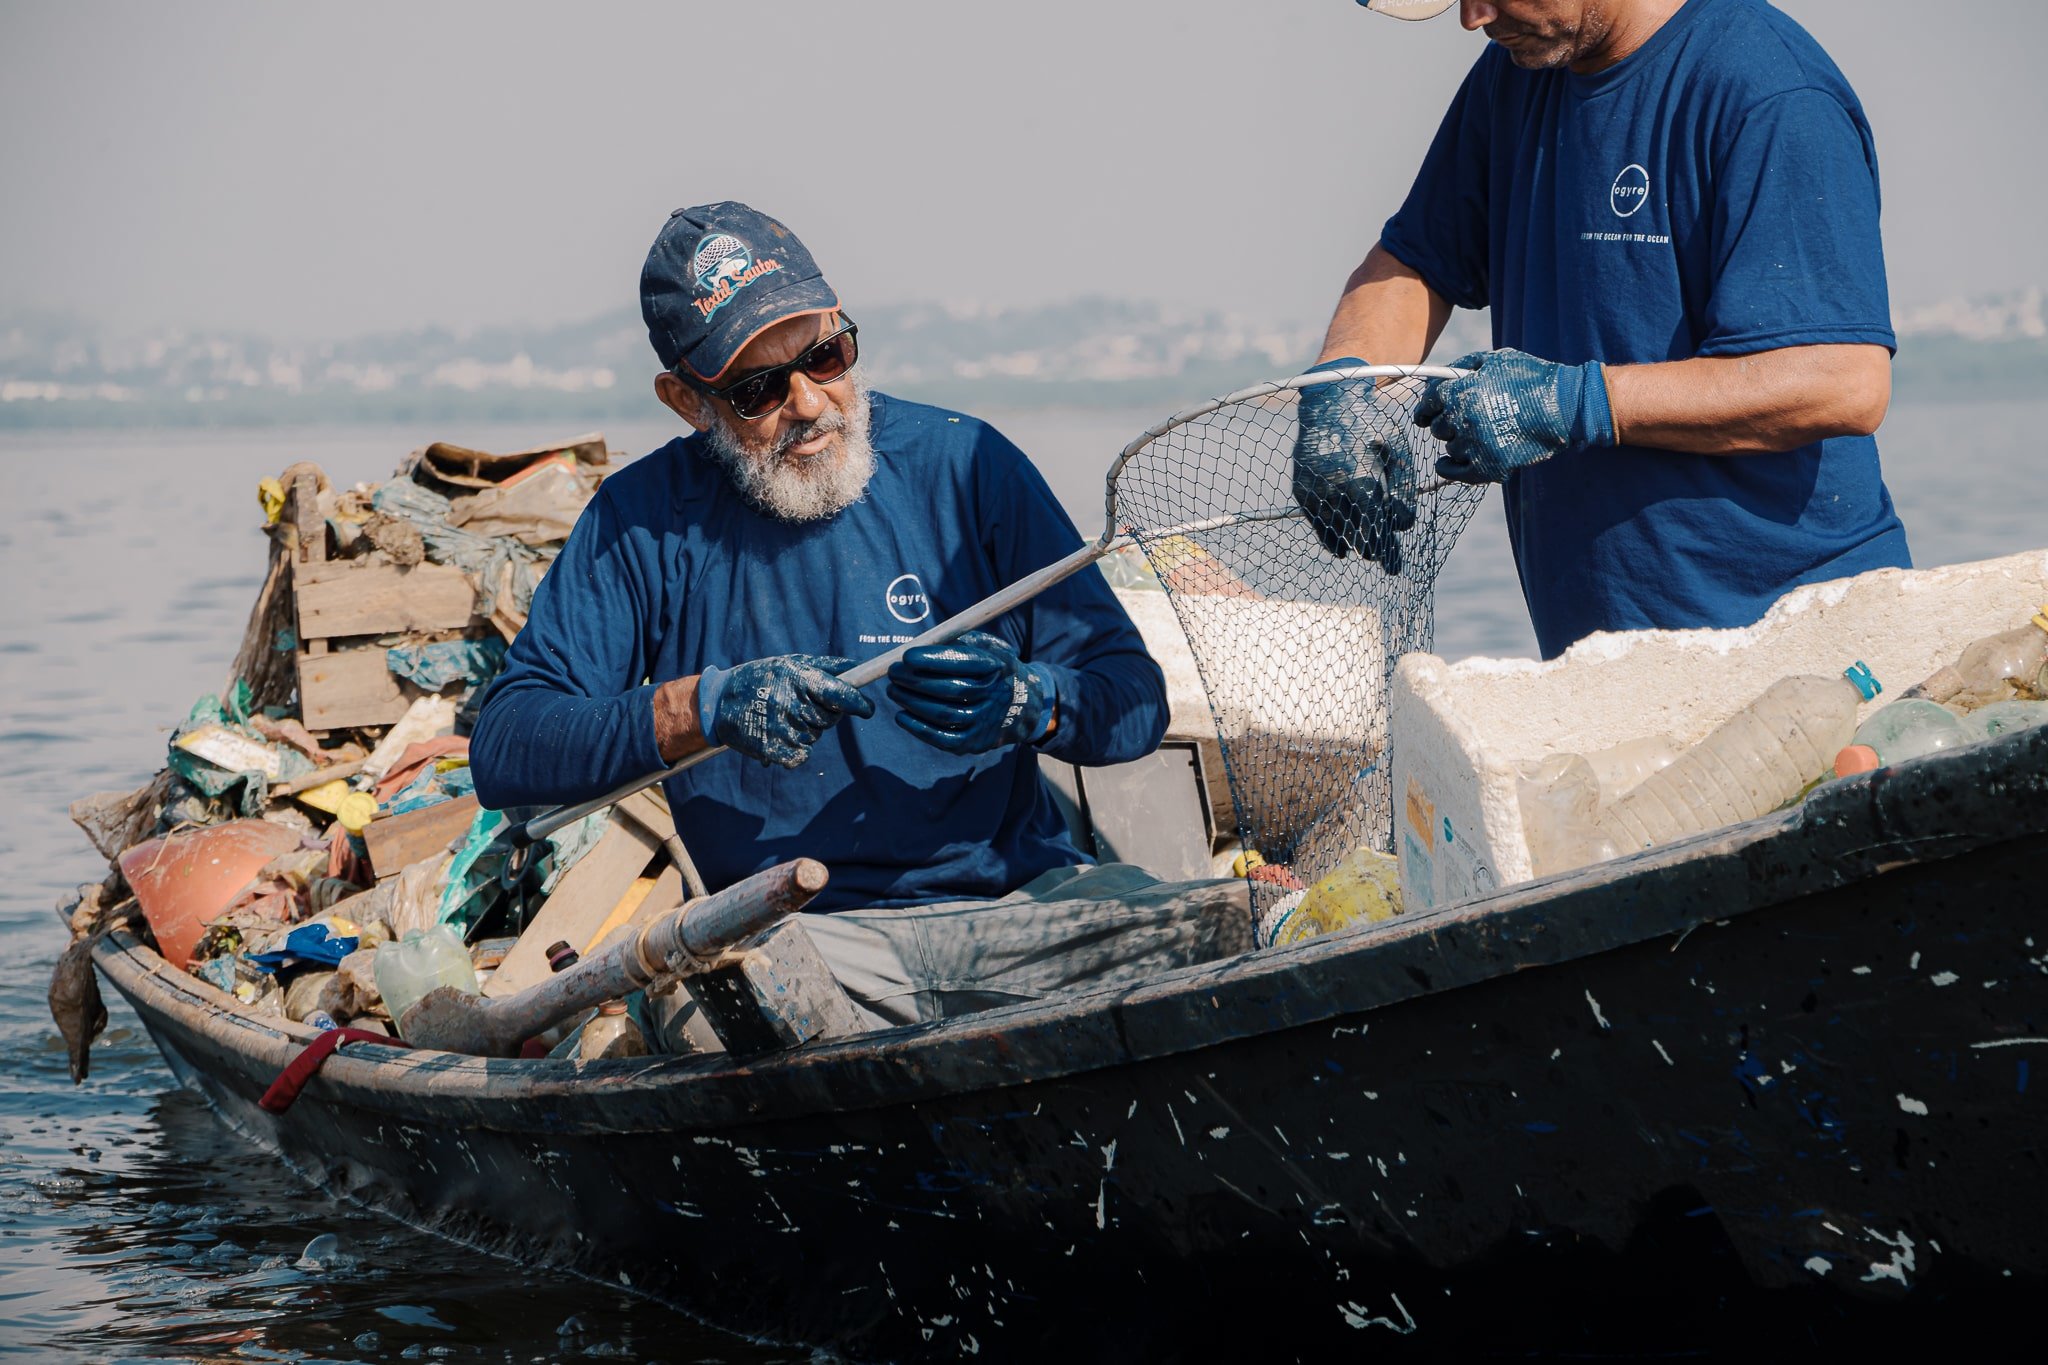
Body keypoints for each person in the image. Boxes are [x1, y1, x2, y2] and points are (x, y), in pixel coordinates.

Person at [470, 202, 1244, 1032]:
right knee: (712, 1020)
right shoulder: (642, 522)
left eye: (825, 356)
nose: (808, 402)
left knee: (1232, 938)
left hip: (1020, 907)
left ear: (843, 324)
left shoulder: (965, 464)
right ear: (686, 401)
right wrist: (706, 705)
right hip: (796, 936)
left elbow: (1133, 698)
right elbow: (508, 745)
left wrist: (1032, 700)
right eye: (757, 388)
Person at [1293, 0, 1911, 658]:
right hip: (1607, 667)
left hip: (1798, 650)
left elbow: (1842, 381)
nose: (1472, 17)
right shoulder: (1515, 74)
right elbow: (1415, 262)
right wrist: (1339, 389)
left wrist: (1575, 403)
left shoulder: (1768, 91)